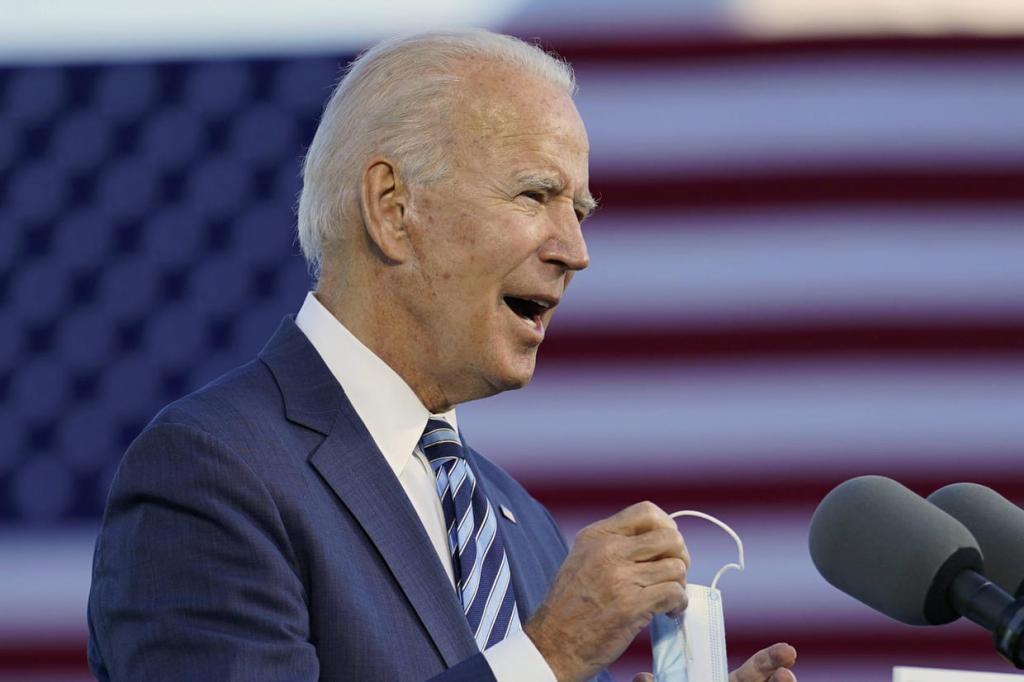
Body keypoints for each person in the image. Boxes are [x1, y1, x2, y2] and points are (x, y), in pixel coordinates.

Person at [87, 29, 797, 681]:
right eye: (535, 195)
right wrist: (550, 654)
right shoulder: (210, 472)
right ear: (392, 208)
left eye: (578, 212)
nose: (575, 251)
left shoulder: (522, 523)